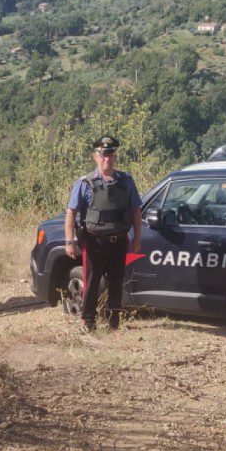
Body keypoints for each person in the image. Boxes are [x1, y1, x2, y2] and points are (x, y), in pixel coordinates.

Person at [64, 136, 142, 333]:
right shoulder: (85, 183)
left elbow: (135, 211)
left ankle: (114, 323)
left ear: (115, 156)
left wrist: (137, 239)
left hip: (119, 242)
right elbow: (71, 213)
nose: (108, 159)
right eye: (103, 155)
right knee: (91, 283)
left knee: (116, 282)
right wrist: (69, 241)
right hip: (94, 242)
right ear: (96, 157)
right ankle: (87, 322)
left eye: (111, 155)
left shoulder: (126, 181)